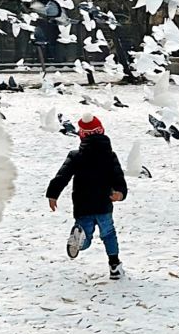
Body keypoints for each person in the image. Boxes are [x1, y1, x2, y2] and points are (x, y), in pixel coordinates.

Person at [45, 115, 128, 279]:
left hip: (83, 205)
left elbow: (62, 176)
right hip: (104, 203)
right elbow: (119, 179)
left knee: (86, 236)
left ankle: (80, 238)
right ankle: (114, 266)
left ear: (82, 135)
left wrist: (53, 194)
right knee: (108, 234)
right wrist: (120, 193)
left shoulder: (76, 156)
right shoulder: (110, 156)